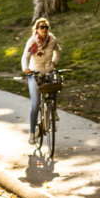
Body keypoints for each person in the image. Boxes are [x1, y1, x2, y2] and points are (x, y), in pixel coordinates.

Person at [21, 17, 61, 147]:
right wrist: (25, 68)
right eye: (41, 27)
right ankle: (32, 133)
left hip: (48, 71)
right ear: (37, 29)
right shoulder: (32, 42)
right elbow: (25, 57)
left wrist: (55, 62)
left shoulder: (52, 40)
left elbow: (57, 51)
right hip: (35, 74)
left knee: (55, 86)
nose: (44, 29)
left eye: (46, 27)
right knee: (36, 103)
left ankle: (52, 110)